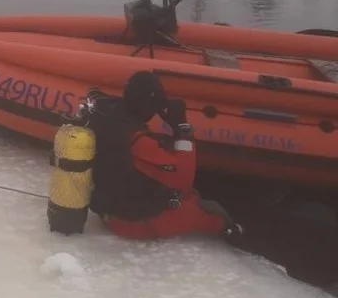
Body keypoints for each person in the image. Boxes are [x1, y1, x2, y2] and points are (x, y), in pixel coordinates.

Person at [85, 71, 241, 241]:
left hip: (108, 203)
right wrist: (183, 131)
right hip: (128, 222)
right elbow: (183, 181)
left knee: (188, 196)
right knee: (206, 210)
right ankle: (233, 233)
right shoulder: (138, 140)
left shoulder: (108, 114)